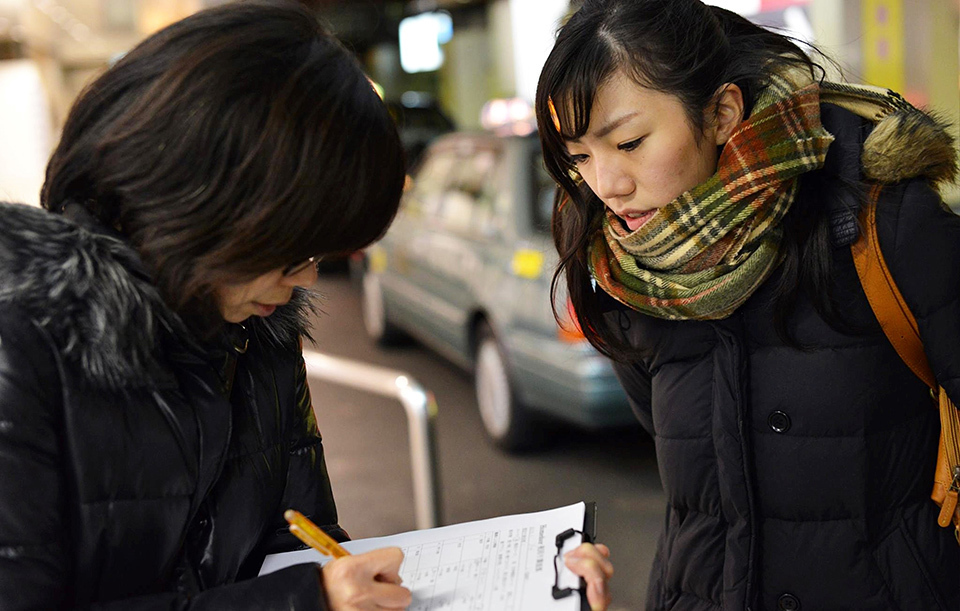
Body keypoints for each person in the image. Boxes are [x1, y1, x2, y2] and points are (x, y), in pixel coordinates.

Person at [536, 1, 959, 610]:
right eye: (579, 156)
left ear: (722, 113)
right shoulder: (630, 272)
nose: (607, 185)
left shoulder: (881, 224)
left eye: (629, 142)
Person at [0, 2, 414, 609]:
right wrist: (304, 602)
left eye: (320, 252)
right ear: (203, 202)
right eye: (293, 250)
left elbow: (304, 543)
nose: (306, 277)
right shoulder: (19, 341)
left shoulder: (258, 332)